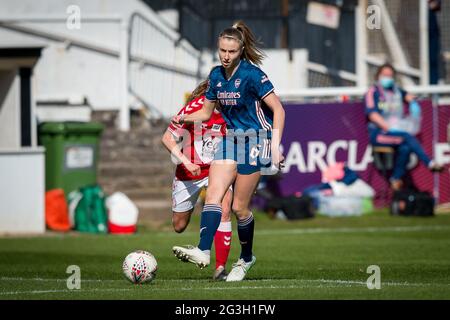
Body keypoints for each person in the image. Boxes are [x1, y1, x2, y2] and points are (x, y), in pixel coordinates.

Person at [171, 20, 285, 282]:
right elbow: (207, 112)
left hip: (256, 139)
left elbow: (278, 109)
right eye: (222, 50)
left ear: (241, 50)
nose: (226, 56)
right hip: (231, 139)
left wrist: (276, 145)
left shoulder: (253, 75)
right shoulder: (215, 75)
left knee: (239, 208)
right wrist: (184, 118)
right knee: (213, 195)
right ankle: (202, 250)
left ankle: (246, 258)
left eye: (231, 52)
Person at [161, 80, 233, 281]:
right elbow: (167, 138)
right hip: (189, 171)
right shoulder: (195, 107)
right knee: (179, 225)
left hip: (218, 168)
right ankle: (199, 219)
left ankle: (220, 268)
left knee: (225, 209)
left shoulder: (233, 111)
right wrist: (186, 162)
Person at [365, 63, 444, 190]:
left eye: (390, 75)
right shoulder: (373, 92)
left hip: (395, 133)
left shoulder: (396, 90)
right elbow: (372, 114)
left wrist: (413, 103)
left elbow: (407, 96)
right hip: (379, 134)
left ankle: (395, 178)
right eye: (385, 75)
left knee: (406, 148)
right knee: (407, 137)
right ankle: (429, 162)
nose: (388, 78)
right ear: (378, 76)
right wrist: (388, 127)